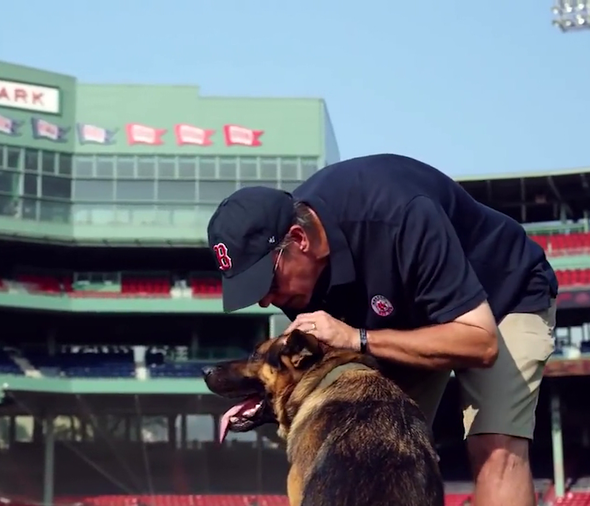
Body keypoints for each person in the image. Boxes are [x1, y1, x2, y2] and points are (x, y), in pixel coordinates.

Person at [206, 154, 558, 506]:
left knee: (495, 448)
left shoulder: (399, 213)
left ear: (299, 239)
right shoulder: (294, 273)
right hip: (402, 318)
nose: (266, 300)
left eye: (266, 282)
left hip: (499, 302)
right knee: (384, 445)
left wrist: (358, 338)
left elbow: (480, 343)